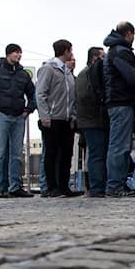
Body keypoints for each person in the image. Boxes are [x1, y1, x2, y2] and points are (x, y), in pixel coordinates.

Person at [0, 43, 36, 198]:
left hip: (18, 117)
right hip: (1, 116)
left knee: (17, 154)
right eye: (16, 53)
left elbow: (33, 94)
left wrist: (27, 110)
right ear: (8, 54)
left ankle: (15, 186)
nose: (19, 55)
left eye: (20, 53)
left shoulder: (23, 74)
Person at [103, 21, 135, 198]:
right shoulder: (121, 52)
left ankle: (117, 184)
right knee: (119, 146)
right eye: (133, 35)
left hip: (117, 102)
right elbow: (131, 77)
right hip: (121, 102)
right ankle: (115, 186)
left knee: (119, 145)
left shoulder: (114, 50)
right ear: (129, 34)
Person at [36, 39, 76, 198]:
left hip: (67, 120)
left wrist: (73, 115)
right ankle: (52, 187)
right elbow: (40, 93)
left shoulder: (67, 72)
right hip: (52, 119)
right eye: (71, 50)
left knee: (66, 154)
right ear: (65, 51)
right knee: (51, 154)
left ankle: (64, 186)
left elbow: (71, 96)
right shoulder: (48, 69)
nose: (72, 53)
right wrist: (45, 116)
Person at [76, 46, 108, 198]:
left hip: (89, 120)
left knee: (96, 154)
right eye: (103, 56)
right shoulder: (88, 74)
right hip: (93, 120)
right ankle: (97, 187)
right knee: (97, 154)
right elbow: (88, 97)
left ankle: (97, 186)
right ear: (95, 58)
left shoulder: (84, 73)